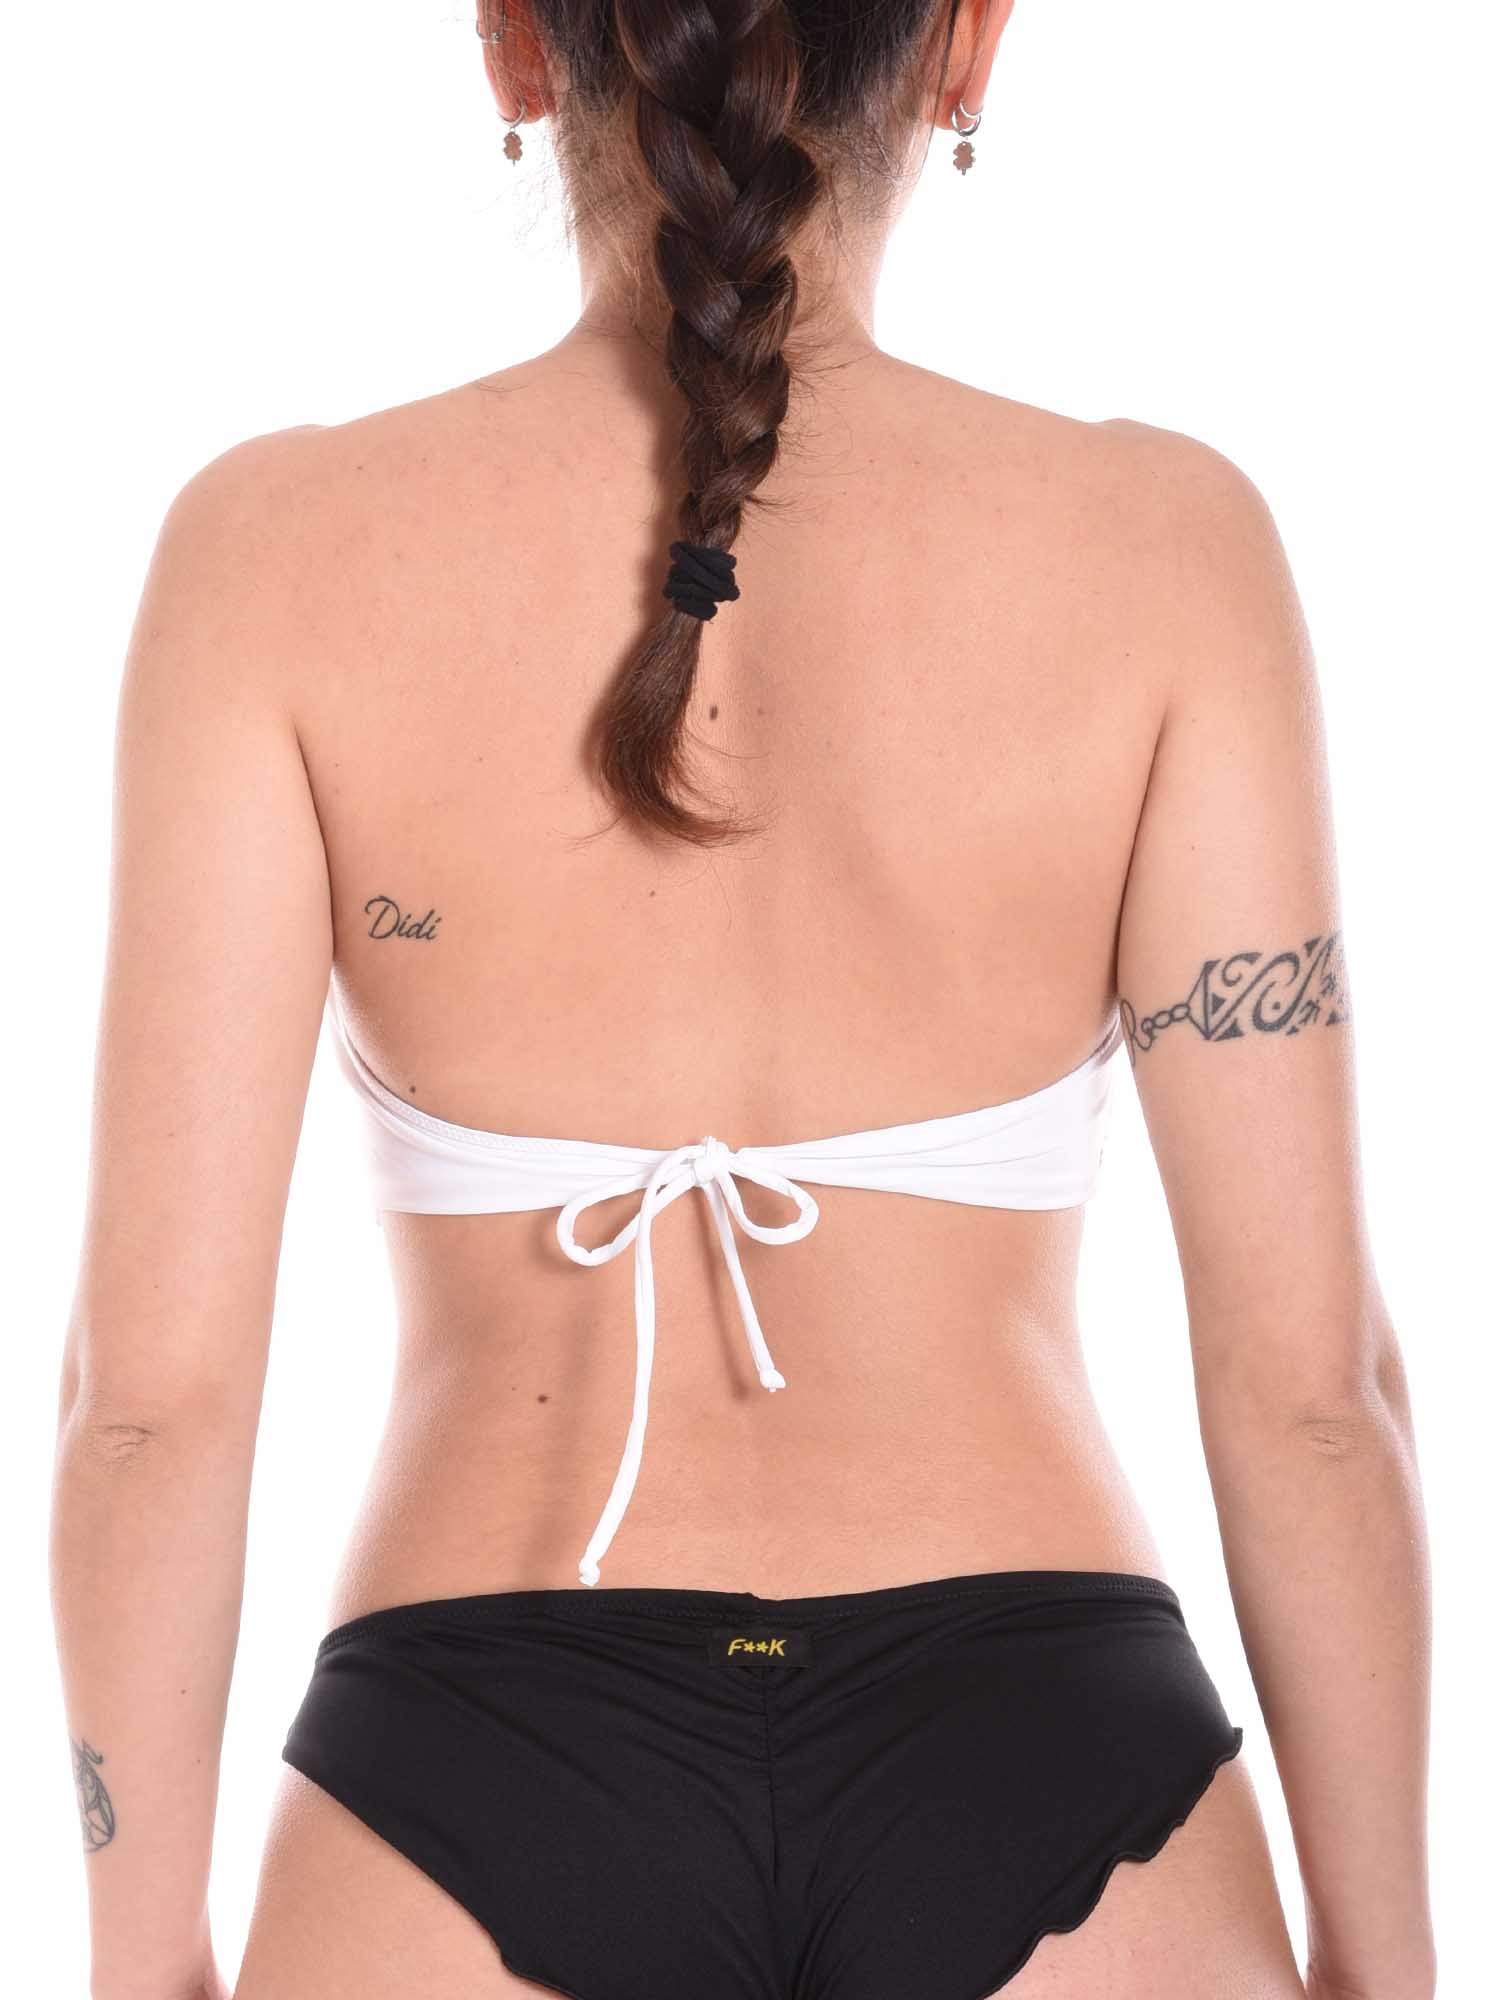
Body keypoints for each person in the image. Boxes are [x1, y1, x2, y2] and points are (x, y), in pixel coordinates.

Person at [50, 3, 1435, 1997]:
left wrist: (134, 1966)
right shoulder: (1166, 549)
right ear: (966, 49)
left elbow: (147, 1409)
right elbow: (1314, 1396)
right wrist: (1388, 1964)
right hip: (1048, 1721)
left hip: (466, 1728)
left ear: (514, 47)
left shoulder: (273, 553)